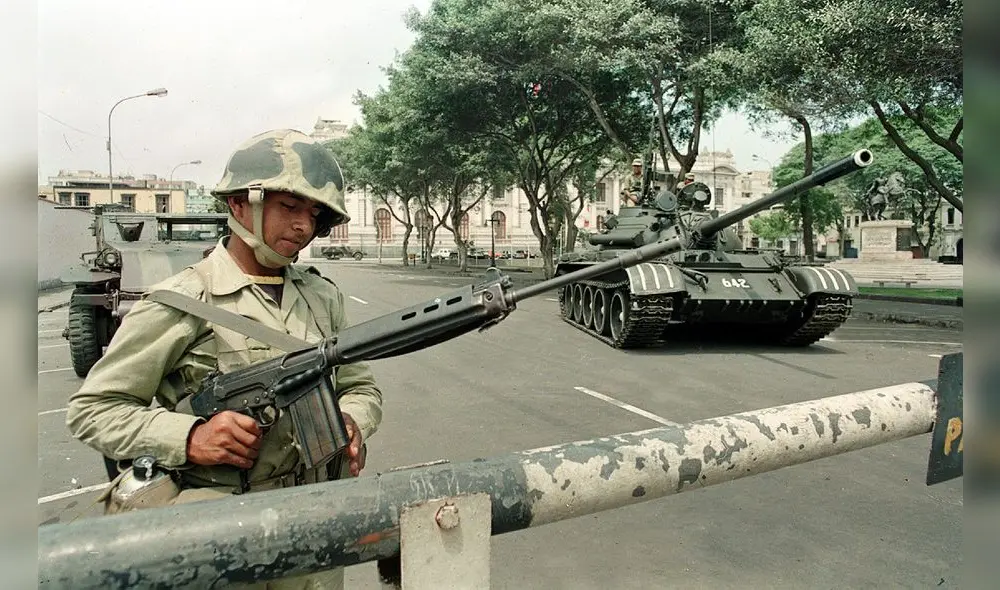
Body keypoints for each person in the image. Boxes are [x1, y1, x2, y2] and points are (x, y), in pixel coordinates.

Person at [66, 129, 383, 589]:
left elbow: (360, 386)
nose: (303, 227)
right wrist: (190, 436)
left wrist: (352, 421)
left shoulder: (322, 297)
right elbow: (93, 410)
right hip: (220, 534)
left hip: (316, 524)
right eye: (289, 207)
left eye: (313, 214)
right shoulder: (180, 300)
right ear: (239, 204)